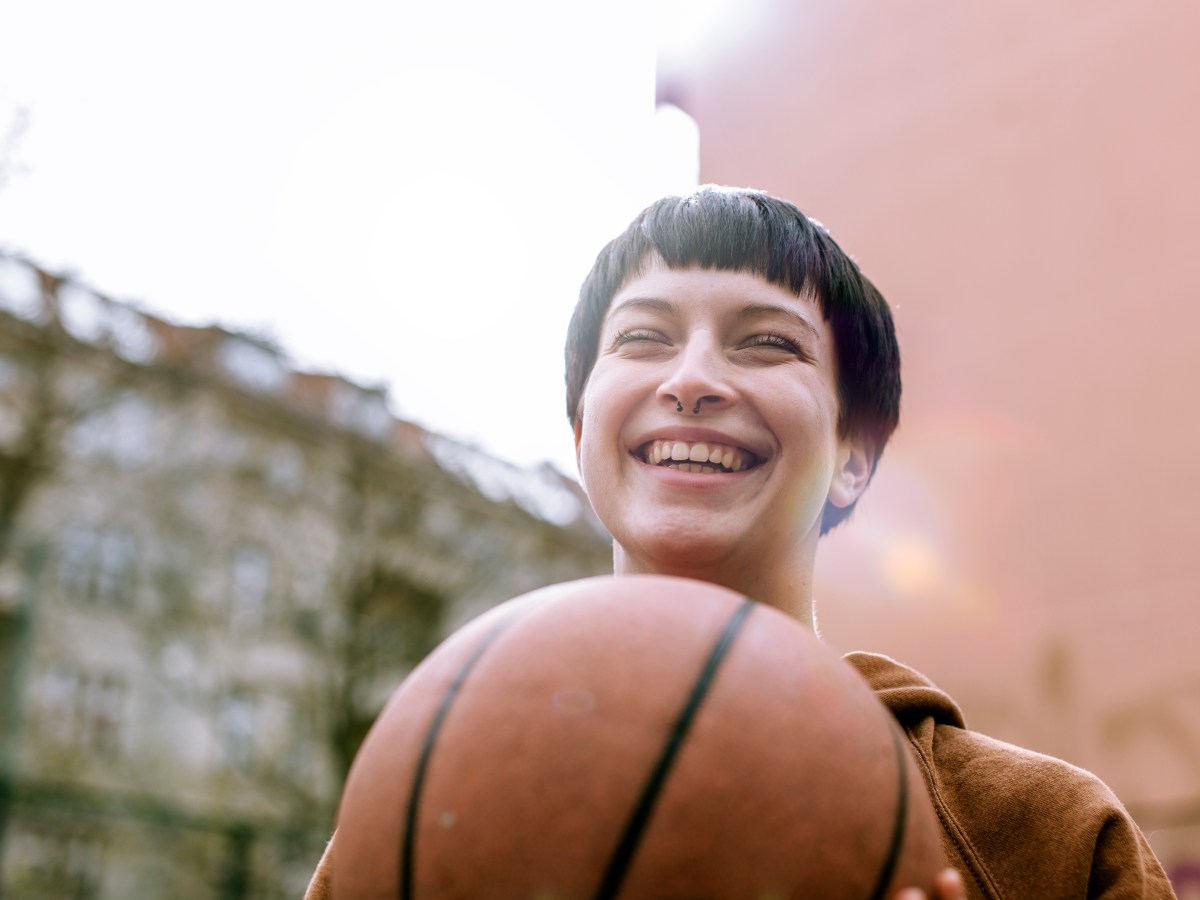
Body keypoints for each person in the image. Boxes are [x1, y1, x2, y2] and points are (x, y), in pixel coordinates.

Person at [305, 186, 1175, 899]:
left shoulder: (1045, 836)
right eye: (643, 338)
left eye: (766, 344)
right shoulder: (417, 807)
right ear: (581, 434)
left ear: (852, 459)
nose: (691, 380)